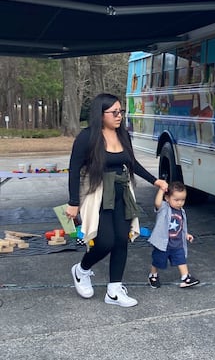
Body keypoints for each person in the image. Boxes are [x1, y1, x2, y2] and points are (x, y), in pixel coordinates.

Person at [66, 93, 168, 307]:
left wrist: (155, 181)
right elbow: (74, 171)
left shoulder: (123, 135)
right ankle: (82, 269)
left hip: (121, 192)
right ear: (100, 114)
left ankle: (114, 290)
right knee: (105, 241)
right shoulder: (86, 138)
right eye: (114, 112)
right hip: (98, 195)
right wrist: (73, 203)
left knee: (122, 240)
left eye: (121, 111)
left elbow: (132, 162)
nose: (119, 115)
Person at [147, 181, 200, 288]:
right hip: (163, 243)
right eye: (176, 200)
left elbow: (181, 226)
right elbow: (157, 203)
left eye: (182, 200)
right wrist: (161, 190)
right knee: (158, 261)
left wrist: (186, 234)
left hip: (177, 243)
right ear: (167, 198)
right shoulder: (164, 208)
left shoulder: (181, 211)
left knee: (181, 260)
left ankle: (185, 277)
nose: (179, 203)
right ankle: (153, 275)